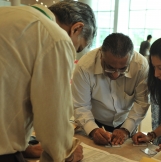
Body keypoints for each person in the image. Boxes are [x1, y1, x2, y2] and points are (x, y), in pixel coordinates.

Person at [0, 1, 96, 162]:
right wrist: (66, 153)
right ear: (76, 28)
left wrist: (26, 149)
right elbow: (52, 116)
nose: (73, 54)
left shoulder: (8, 14)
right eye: (77, 48)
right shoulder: (56, 37)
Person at [72, 33, 150, 146]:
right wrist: (93, 130)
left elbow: (142, 102)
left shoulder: (140, 66)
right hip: (93, 120)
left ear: (130, 58)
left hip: (127, 120)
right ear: (101, 56)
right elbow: (80, 106)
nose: (115, 75)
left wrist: (126, 129)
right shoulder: (84, 67)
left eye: (123, 69)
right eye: (109, 68)